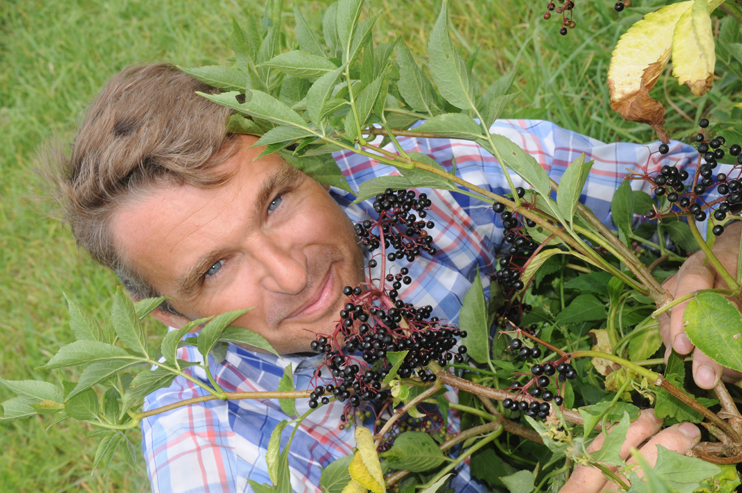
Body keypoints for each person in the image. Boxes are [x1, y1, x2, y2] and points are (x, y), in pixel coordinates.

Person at [44, 63, 735, 493]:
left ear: (308, 156)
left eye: (276, 201)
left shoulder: (424, 172)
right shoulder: (215, 442)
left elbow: (701, 186)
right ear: (176, 320)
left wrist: (728, 252)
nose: (292, 271)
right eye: (216, 268)